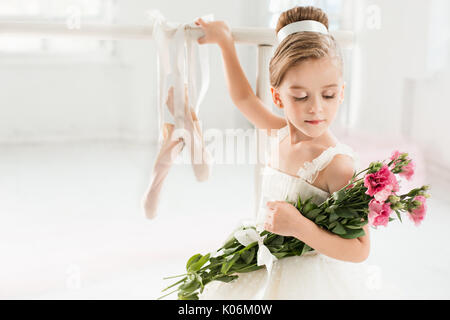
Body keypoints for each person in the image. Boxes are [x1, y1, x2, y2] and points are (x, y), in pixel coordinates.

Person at [193, 6, 401, 299]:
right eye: (300, 96)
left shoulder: (336, 166)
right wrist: (225, 41)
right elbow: (243, 98)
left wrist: (300, 227)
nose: (316, 107)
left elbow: (359, 249)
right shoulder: (279, 133)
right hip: (269, 262)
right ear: (278, 95)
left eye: (328, 95)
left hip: (307, 283)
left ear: (341, 92)